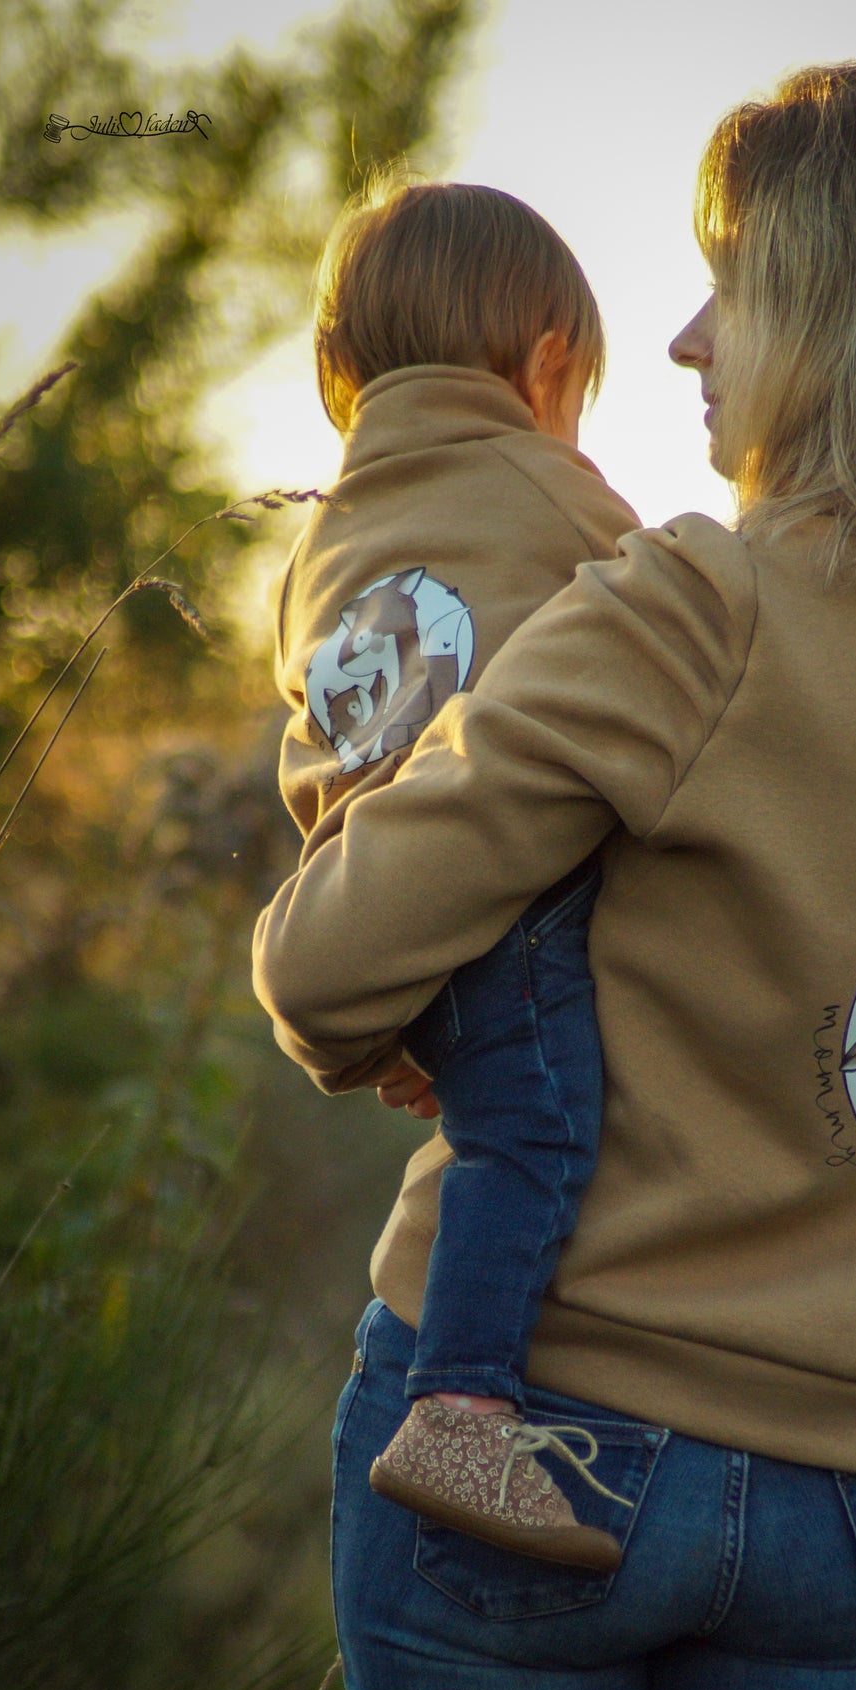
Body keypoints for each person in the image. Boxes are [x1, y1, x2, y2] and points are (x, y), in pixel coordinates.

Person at [253, 63, 856, 1690]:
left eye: (728, 286)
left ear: (841, 316)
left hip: (520, 1432)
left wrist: (406, 1015)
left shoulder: (697, 605)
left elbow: (321, 963)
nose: (684, 342)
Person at [271, 172, 640, 1568]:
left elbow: (312, 730)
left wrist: (397, 1002)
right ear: (547, 366)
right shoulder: (547, 485)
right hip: (510, 898)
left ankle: (457, 1384)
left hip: (372, 894)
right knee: (532, 1137)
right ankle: (462, 1407)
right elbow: (670, 619)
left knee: (490, 1114)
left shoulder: (317, 541)